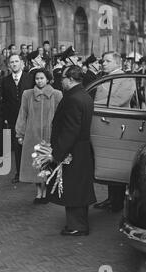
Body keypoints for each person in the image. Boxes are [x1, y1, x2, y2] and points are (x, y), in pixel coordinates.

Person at [48, 65, 96, 236]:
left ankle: (77, 226)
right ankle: (79, 223)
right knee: (80, 187)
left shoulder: (73, 98)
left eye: (62, 78)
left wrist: (57, 154)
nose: (61, 82)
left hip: (73, 150)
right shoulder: (84, 95)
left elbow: (70, 130)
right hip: (82, 148)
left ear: (69, 79)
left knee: (72, 188)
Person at [94, 52, 136, 213]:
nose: (103, 63)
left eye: (107, 61)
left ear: (117, 63)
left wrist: (92, 104)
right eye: (103, 60)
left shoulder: (126, 78)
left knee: (117, 163)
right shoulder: (104, 77)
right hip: (104, 125)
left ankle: (117, 201)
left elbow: (119, 101)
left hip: (120, 127)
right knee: (108, 164)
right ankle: (112, 198)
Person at [16, 69, 62, 203]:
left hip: (49, 135)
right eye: (37, 78)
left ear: (47, 79)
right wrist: (20, 133)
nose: (39, 81)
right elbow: (22, 114)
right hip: (33, 135)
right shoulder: (27, 94)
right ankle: (38, 193)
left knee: (48, 164)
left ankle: (47, 192)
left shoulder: (57, 94)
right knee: (35, 165)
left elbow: (61, 116)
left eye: (42, 78)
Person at [1, 54, 28, 184]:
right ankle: (19, 173)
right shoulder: (5, 81)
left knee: (30, 145)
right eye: (12, 62)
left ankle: (31, 173)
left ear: (21, 63)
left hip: (29, 118)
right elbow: (4, 101)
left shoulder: (29, 78)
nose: (14, 64)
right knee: (17, 147)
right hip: (13, 119)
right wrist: (6, 118)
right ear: (9, 65)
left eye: (17, 61)